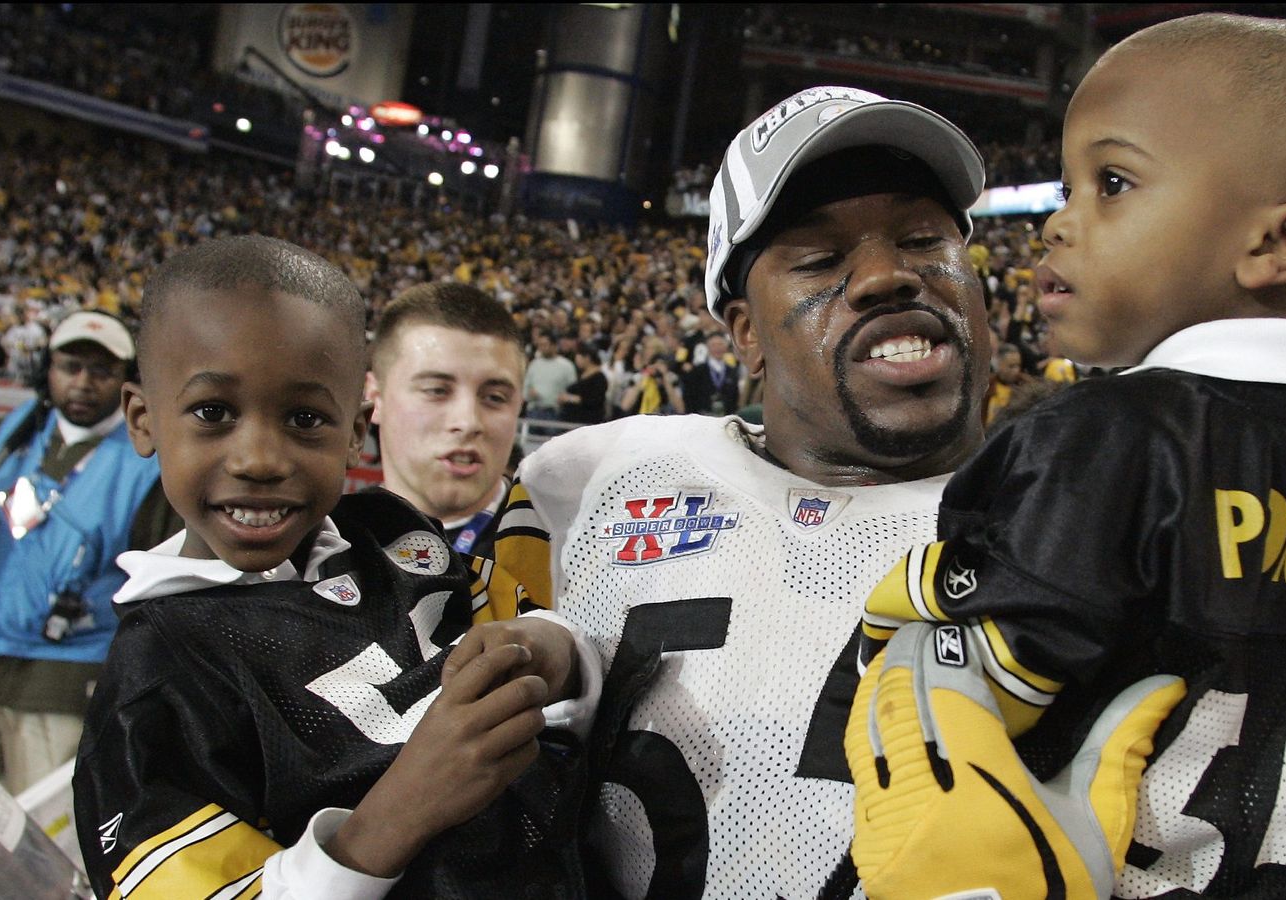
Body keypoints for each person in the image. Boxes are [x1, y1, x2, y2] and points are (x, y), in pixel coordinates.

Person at [852, 14, 1286, 898]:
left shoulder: (1104, 435)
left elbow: (964, 706)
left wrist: (904, 631)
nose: (1057, 224)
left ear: (1276, 244)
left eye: (1112, 183)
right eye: (1069, 186)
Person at [494, 86, 1167, 899]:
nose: (886, 276)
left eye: (923, 239)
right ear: (744, 333)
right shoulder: (587, 486)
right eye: (818, 260)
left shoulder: (1102, 525)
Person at [72, 236, 596, 898]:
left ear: (354, 431)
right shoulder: (154, 686)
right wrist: (391, 817)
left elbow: (531, 642)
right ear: (143, 421)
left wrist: (552, 648)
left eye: (304, 418)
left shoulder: (392, 535)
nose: (260, 457)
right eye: (214, 412)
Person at [0, 310, 176, 794]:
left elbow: (163, 591)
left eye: (101, 371)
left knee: (41, 849)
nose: (82, 382)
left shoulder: (150, 462)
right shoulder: (14, 429)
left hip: (64, 683)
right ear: (46, 371)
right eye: (69, 366)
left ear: (127, 382)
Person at [366, 282, 525, 553]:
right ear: (374, 400)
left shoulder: (569, 555)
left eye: (495, 397)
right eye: (437, 391)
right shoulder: (316, 548)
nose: (468, 422)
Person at [680, 332, 740, 416]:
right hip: (703, 417)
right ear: (707, 347)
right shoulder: (697, 371)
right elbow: (689, 397)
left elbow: (735, 397)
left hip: (726, 417)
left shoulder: (732, 371)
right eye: (713, 345)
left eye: (720, 344)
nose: (717, 348)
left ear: (726, 347)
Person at [524, 332, 577, 422]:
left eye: (544, 345)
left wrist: (565, 398)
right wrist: (529, 393)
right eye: (540, 345)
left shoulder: (567, 366)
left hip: (555, 412)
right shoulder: (534, 364)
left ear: (554, 345)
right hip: (533, 411)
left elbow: (573, 389)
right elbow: (525, 387)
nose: (541, 348)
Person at [557, 342, 609, 426]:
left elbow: (594, 400)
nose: (576, 360)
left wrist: (570, 398)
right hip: (572, 420)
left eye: (579, 357)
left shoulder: (599, 378)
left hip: (588, 422)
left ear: (587, 358)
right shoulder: (581, 375)